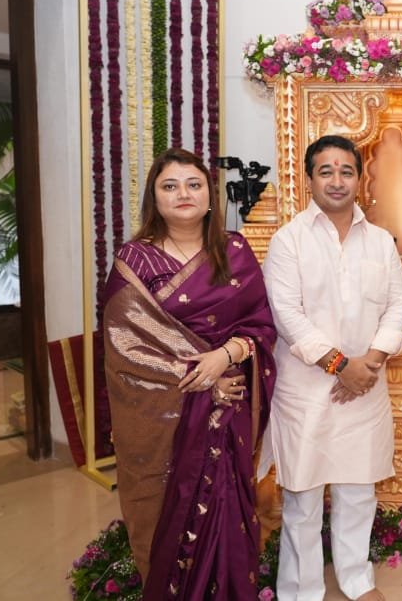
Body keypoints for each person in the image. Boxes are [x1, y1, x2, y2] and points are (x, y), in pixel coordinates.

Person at [102, 148, 277, 599]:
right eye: (170, 186)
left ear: (209, 195)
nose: (183, 193)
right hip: (167, 416)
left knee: (227, 505)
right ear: (155, 198)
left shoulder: (234, 250)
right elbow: (125, 348)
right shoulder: (135, 260)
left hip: (229, 406)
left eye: (194, 184)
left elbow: (260, 325)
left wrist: (226, 355)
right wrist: (201, 375)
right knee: (169, 511)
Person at [262, 134, 402, 601]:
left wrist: (368, 364)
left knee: (358, 490)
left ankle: (357, 580)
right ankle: (301, 590)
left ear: (359, 179)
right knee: (303, 496)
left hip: (366, 385)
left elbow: (398, 304)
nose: (337, 180)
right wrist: (340, 365)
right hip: (306, 390)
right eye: (325, 171)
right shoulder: (288, 241)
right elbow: (287, 315)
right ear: (309, 179)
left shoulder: (380, 241)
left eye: (346, 171)